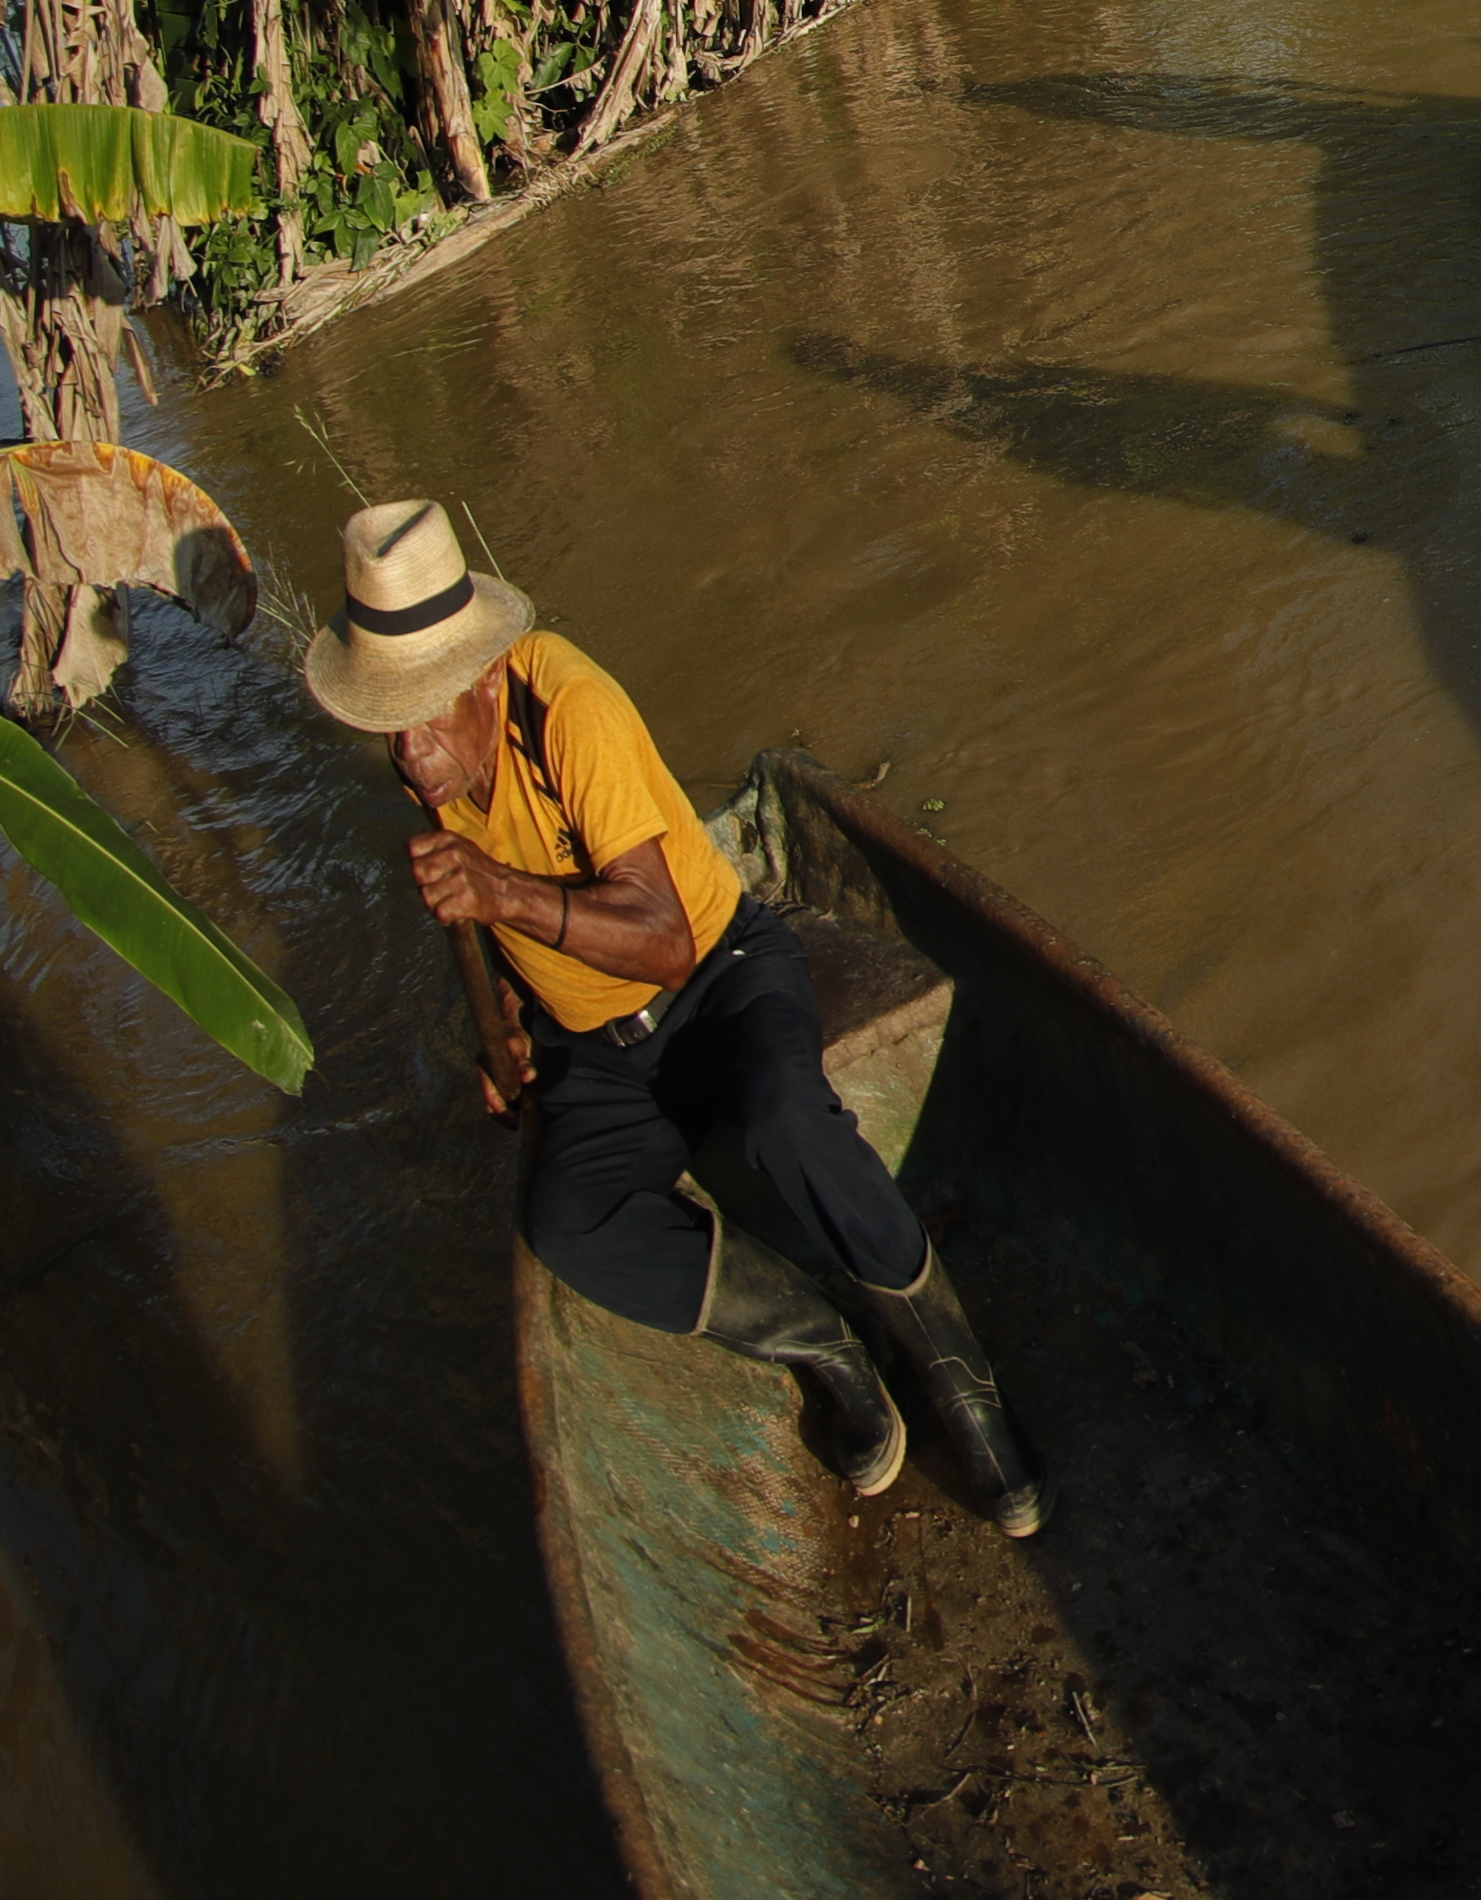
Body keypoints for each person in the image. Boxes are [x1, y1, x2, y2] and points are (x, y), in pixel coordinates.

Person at [304, 500, 1045, 1538]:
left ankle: (958, 1378)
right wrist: (509, 1024)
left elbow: (660, 940)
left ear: (483, 677)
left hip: (717, 974)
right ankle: (828, 1342)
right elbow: (492, 925)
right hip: (591, 1038)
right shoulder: (429, 768)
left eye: (429, 714)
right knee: (569, 1223)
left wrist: (498, 893)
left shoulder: (566, 706)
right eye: (391, 721)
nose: (413, 751)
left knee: (788, 1118)